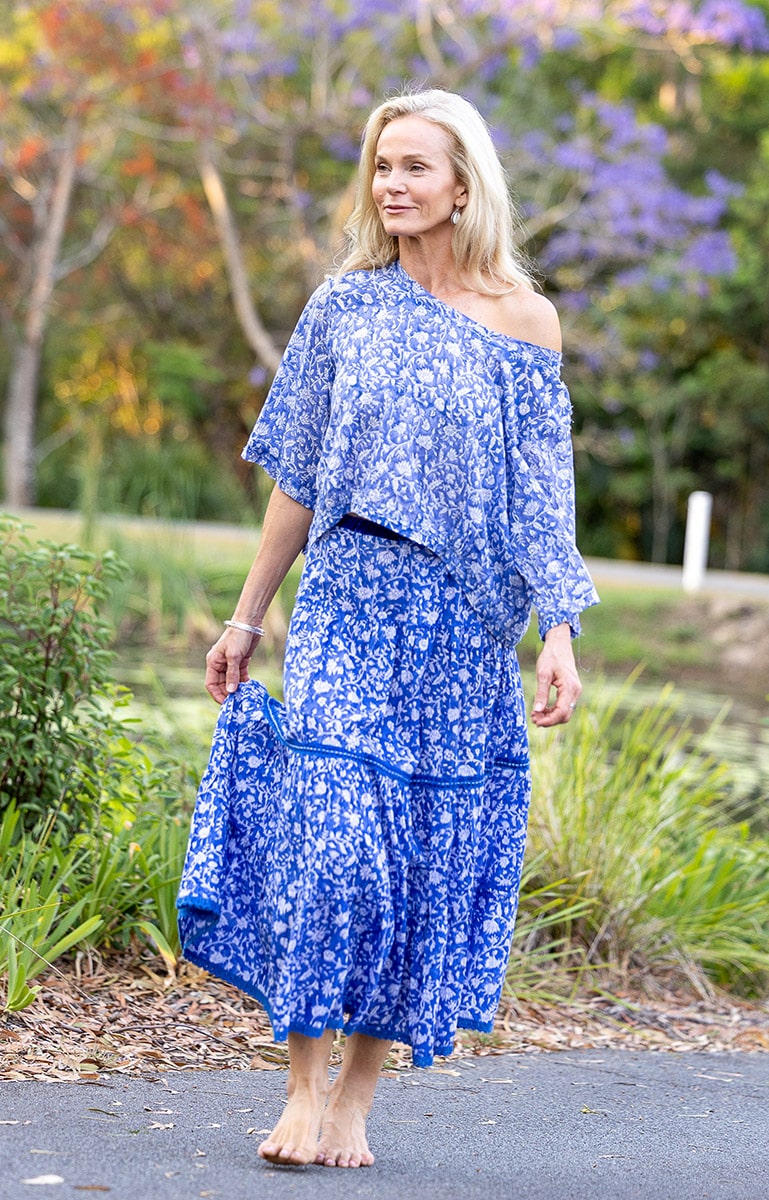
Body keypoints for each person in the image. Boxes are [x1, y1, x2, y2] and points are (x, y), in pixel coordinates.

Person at [177, 88, 598, 1171]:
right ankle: (298, 1090)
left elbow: (541, 498)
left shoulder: (524, 321)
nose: (392, 185)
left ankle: (357, 1102)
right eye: (380, 167)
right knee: (335, 847)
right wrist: (246, 616)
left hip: (462, 626)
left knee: (415, 859)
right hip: (348, 601)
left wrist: (558, 631)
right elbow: (299, 479)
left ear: (466, 183)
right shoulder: (344, 307)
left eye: (413, 166)